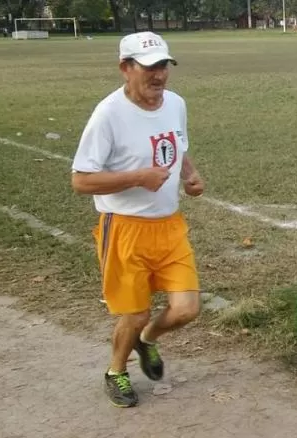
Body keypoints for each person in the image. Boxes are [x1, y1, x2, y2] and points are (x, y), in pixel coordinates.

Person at [71, 31, 205, 408]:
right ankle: (116, 371)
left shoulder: (175, 104)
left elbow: (179, 146)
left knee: (186, 309)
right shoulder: (108, 115)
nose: (159, 75)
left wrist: (190, 175)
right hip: (124, 228)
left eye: (163, 65)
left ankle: (147, 340)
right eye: (149, 67)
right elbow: (80, 180)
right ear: (125, 68)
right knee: (135, 313)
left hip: (169, 226)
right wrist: (137, 178)